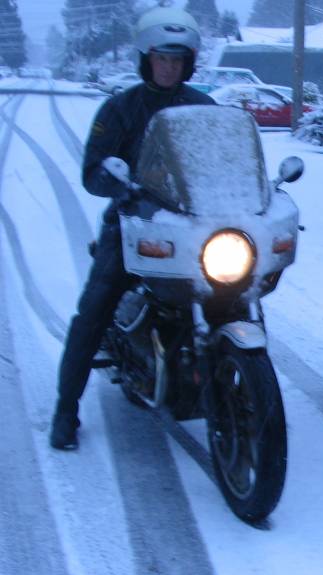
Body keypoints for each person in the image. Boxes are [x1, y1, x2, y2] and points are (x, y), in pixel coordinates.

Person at [49, 7, 215, 450]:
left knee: (233, 291)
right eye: (162, 58)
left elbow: (225, 159)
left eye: (177, 60)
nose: (169, 67)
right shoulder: (120, 108)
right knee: (95, 310)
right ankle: (65, 410)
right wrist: (119, 184)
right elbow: (92, 172)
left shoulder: (204, 107)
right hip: (133, 224)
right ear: (146, 59)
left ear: (188, 63)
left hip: (195, 227)